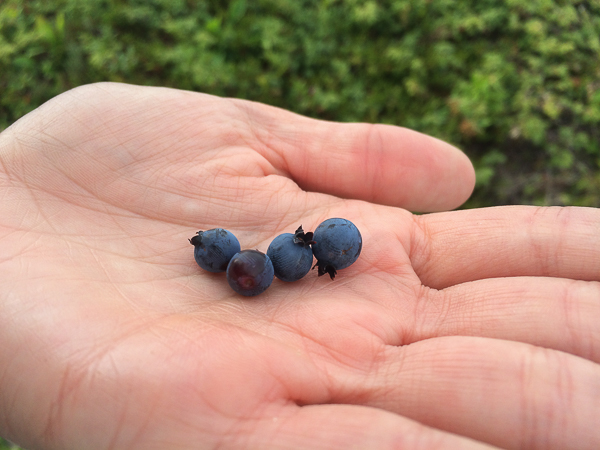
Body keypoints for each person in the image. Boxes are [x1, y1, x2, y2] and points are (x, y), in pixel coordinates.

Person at [0, 82, 598, 450]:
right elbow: (247, 265)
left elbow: (269, 262)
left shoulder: (294, 255)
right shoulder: (260, 261)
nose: (236, 267)